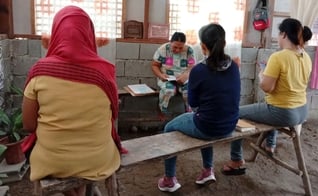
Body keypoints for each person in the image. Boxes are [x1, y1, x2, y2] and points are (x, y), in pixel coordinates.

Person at [22, 6, 123, 196]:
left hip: (51, 160)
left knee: (58, 155)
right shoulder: (105, 73)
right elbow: (113, 113)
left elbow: (28, 125)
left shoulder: (39, 72)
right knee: (81, 161)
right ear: (89, 34)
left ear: (56, 32)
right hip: (98, 158)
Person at [223, 18, 313, 175]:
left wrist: (261, 75)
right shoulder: (305, 56)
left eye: (279, 34)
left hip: (284, 112)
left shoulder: (279, 57)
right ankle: (270, 144)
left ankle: (236, 160)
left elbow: (267, 88)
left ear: (283, 34)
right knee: (267, 107)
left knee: (235, 113)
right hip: (302, 111)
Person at [157, 23, 241, 192]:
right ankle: (207, 170)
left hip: (207, 126)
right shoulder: (234, 66)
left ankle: (169, 179)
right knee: (206, 118)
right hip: (230, 124)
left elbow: (193, 103)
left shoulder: (199, 70)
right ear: (224, 44)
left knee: (169, 127)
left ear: (203, 47)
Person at [151, 32, 196, 114]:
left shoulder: (189, 50)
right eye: (175, 47)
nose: (178, 50)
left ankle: (189, 113)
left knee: (188, 92)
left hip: (184, 79)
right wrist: (161, 75)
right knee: (169, 90)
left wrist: (185, 75)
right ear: (170, 42)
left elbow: (192, 66)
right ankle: (162, 111)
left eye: (180, 48)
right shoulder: (162, 49)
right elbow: (154, 65)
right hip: (167, 78)